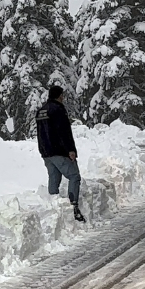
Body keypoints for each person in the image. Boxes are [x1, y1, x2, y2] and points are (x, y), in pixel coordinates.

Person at [36, 84, 84, 222]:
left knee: (54, 178)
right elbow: (64, 132)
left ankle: (54, 208)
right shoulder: (58, 109)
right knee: (74, 176)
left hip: (46, 152)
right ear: (59, 96)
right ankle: (73, 206)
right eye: (62, 95)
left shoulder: (41, 111)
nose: (63, 98)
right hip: (59, 150)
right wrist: (71, 150)